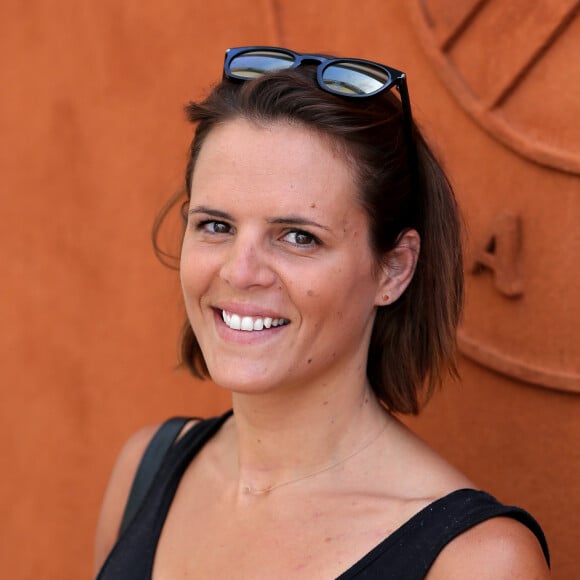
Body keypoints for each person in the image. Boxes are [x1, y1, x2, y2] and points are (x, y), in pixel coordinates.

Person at [94, 47, 550, 578]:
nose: (240, 272)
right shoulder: (145, 471)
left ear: (393, 270)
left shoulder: (477, 562)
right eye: (216, 225)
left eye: (297, 237)